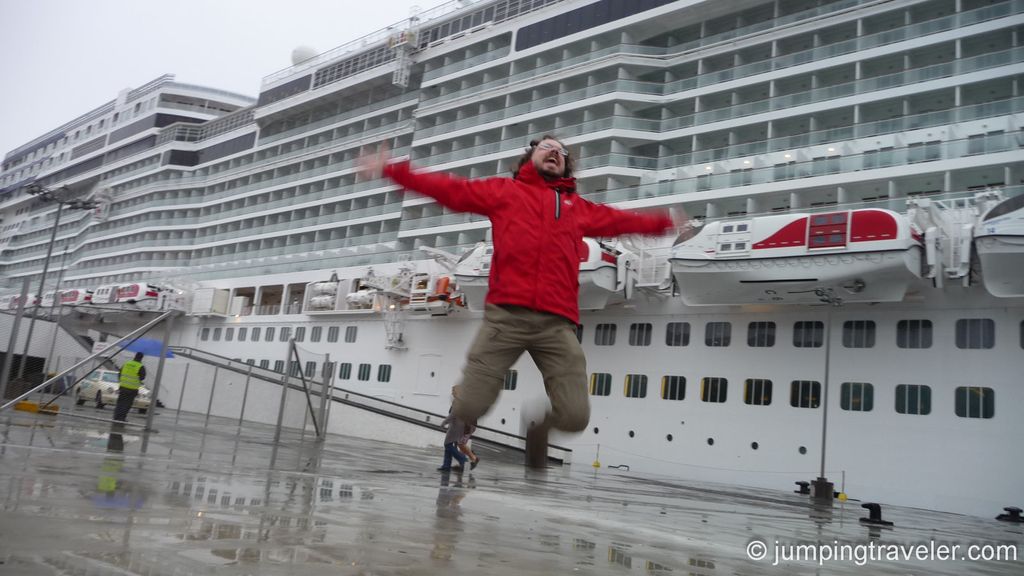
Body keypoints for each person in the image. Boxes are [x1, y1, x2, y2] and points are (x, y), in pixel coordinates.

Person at [363, 136, 683, 467]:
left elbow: (622, 221)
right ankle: (460, 428)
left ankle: (538, 431)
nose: (555, 153)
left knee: (575, 416)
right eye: (547, 147)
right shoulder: (505, 192)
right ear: (530, 157)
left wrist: (664, 222)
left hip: (556, 325)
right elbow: (450, 190)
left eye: (561, 152)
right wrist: (392, 169)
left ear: (565, 165)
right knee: (468, 407)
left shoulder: (579, 209)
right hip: (506, 318)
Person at [114, 352, 146, 422]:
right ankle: (122, 418)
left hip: (123, 387)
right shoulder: (140, 366)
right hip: (132, 389)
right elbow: (142, 377)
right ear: (141, 358)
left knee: (120, 402)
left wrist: (122, 381)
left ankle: (116, 417)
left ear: (135, 356)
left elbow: (120, 373)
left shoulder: (126, 363)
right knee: (127, 404)